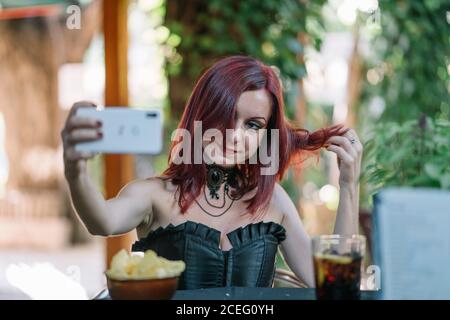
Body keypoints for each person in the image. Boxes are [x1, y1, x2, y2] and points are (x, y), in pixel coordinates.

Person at [61, 55, 363, 289]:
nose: (235, 135)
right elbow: (100, 221)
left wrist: (349, 186)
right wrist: (76, 169)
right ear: (200, 117)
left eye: (253, 125)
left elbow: (334, 283)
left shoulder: (272, 201)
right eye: (225, 117)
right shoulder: (153, 194)